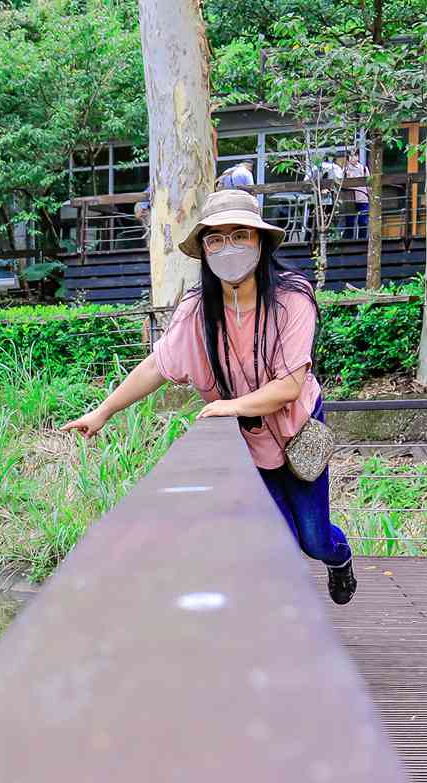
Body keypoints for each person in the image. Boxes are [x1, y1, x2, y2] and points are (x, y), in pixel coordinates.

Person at [61, 189, 358, 605]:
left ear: (260, 241)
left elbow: (289, 386)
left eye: (239, 235)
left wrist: (229, 406)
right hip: (247, 443)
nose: (227, 247)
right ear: (203, 249)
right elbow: (156, 366)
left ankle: (339, 559)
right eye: (215, 239)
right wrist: (103, 412)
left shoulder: (292, 299)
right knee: (280, 543)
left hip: (296, 426)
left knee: (314, 539)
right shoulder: (197, 311)